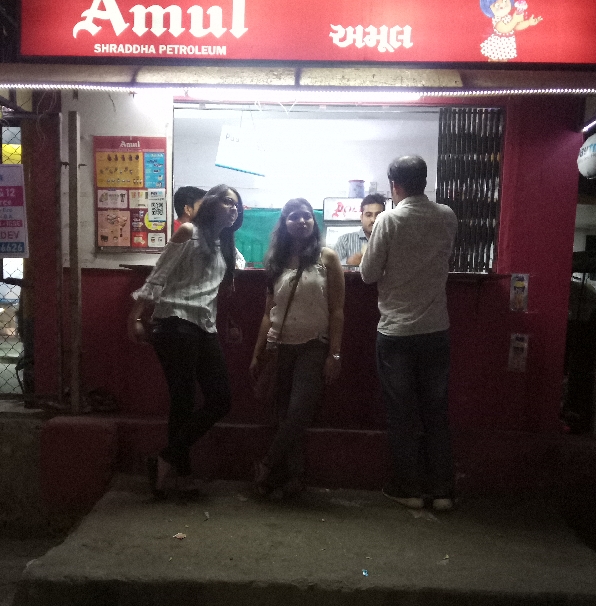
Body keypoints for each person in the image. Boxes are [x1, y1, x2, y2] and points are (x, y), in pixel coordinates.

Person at [128, 184, 244, 497]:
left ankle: (165, 460)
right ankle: (180, 475)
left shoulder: (225, 244)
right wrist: (136, 317)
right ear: (211, 203)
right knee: (183, 400)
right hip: (175, 321)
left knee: (220, 400)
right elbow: (158, 276)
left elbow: (232, 274)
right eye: (227, 201)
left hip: (204, 325)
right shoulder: (189, 232)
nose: (233, 208)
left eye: (237, 205)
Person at [360, 156, 458, 512]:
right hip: (436, 329)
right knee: (436, 412)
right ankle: (443, 491)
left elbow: (368, 274)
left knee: (402, 413)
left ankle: (408, 489)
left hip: (397, 333)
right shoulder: (447, 215)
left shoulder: (389, 220)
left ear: (394, 185)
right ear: (425, 180)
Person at [250, 198, 345, 498]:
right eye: (294, 217)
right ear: (284, 223)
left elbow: (337, 311)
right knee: (283, 415)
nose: (301, 221)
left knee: (298, 411)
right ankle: (294, 479)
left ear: (314, 222)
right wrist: (257, 352)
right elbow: (268, 312)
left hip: (313, 346)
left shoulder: (327, 258)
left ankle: (267, 465)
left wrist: (335, 354)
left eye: (306, 216)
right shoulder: (276, 262)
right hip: (279, 345)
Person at [473, 0, 542, 62]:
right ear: (489, 10)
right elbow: (504, 29)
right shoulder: (497, 19)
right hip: (497, 44)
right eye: (497, 5)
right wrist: (515, 20)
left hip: (507, 43)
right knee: (494, 60)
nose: (503, 6)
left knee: (504, 60)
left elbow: (516, 27)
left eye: (505, 1)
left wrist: (529, 23)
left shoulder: (509, 17)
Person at [334, 193, 386, 266]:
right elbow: (332, 268)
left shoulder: (390, 241)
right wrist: (349, 263)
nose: (373, 220)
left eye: (378, 215)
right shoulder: (344, 241)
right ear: (361, 217)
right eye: (368, 215)